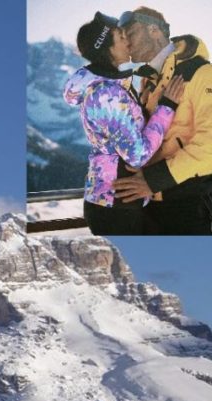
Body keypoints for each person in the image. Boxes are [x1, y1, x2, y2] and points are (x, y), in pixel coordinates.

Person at [112, 7, 212, 235]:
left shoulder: (205, 75)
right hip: (149, 204)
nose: (126, 43)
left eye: (131, 33)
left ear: (154, 30)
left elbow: (209, 147)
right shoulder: (147, 81)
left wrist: (153, 180)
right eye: (123, 37)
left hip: (189, 209)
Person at [64, 12, 184, 235]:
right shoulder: (107, 95)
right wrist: (167, 107)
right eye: (121, 37)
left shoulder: (112, 86)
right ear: (107, 49)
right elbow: (137, 155)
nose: (128, 40)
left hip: (119, 201)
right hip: (115, 208)